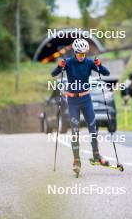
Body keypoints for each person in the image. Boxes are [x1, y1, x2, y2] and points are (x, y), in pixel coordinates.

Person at [51, 38, 110, 174]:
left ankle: (96, 155)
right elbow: (53, 74)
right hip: (73, 102)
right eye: (80, 54)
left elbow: (106, 73)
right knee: (75, 131)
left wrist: (99, 65)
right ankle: (76, 160)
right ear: (75, 52)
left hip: (86, 99)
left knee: (93, 128)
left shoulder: (89, 62)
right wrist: (60, 67)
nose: (82, 56)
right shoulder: (68, 62)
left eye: (84, 54)